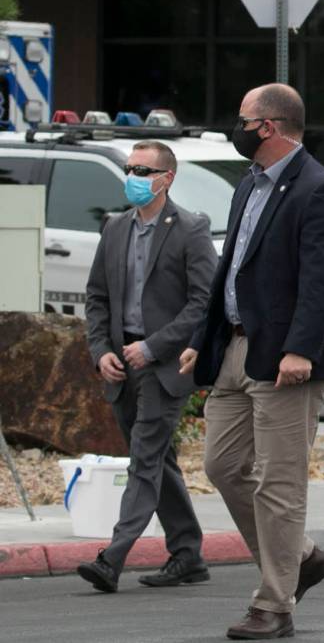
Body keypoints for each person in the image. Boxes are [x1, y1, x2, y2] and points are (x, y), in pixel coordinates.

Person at [179, 83, 324, 640]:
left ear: (270, 126)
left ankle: (274, 605)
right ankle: (300, 558)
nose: (238, 127)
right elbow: (232, 270)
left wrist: (300, 348)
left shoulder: (320, 189)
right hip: (233, 347)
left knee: (279, 484)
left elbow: (322, 281)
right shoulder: (249, 185)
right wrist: (201, 338)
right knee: (223, 466)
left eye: (243, 119)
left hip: (285, 357)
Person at [81, 140, 217, 592]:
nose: (134, 176)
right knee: (160, 461)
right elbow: (97, 298)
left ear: (166, 179)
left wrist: (154, 347)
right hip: (121, 365)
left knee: (144, 459)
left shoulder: (191, 229)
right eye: (131, 168)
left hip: (164, 366)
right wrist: (101, 350)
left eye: (144, 170)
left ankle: (111, 558)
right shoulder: (114, 228)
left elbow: (203, 304)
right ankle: (188, 554)